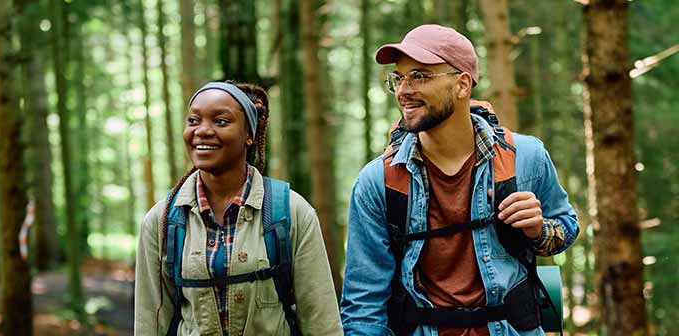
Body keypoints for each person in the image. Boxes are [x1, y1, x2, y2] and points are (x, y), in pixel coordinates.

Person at [340, 24, 579, 336]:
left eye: (419, 76)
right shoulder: (379, 181)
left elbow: (566, 227)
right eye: (398, 78)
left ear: (462, 85)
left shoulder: (526, 157)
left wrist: (538, 229)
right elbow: (364, 308)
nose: (403, 90)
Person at [135, 81, 342, 336]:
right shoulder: (163, 220)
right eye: (193, 121)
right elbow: (149, 322)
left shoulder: (290, 211)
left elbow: (322, 321)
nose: (202, 131)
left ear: (249, 135)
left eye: (221, 121)